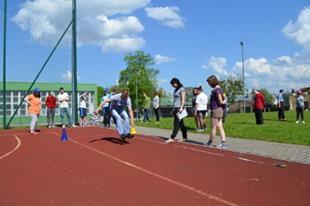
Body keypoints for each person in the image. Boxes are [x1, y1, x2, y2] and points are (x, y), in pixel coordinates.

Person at [205, 75, 227, 149]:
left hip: (216, 110)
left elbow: (220, 101)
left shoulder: (216, 90)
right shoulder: (219, 89)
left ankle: (210, 142)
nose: (208, 84)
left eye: (209, 83)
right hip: (219, 110)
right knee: (220, 126)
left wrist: (224, 101)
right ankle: (223, 143)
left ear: (212, 82)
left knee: (213, 127)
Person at [165, 78, 188, 143]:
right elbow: (175, 100)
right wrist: (173, 108)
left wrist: (181, 108)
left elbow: (183, 99)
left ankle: (172, 137)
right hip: (175, 107)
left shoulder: (182, 89)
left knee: (176, 124)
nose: (172, 85)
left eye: (173, 84)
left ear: (176, 83)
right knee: (181, 124)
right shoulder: (175, 90)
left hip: (179, 108)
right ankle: (185, 137)